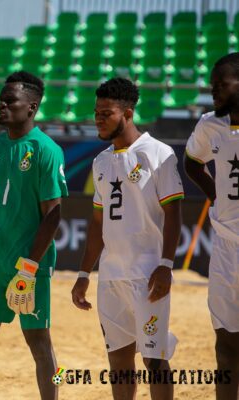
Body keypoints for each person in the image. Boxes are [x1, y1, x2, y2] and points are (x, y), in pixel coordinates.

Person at [71, 78, 183, 400]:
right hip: (111, 277)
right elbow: (97, 224)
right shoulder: (101, 161)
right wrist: (83, 274)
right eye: (96, 113)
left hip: (148, 276)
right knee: (118, 360)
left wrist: (165, 265)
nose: (98, 119)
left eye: (106, 113)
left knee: (154, 359)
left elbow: (174, 214)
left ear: (128, 113)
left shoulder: (158, 153)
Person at [0, 71, 67, 400]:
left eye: (10, 101)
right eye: (0, 101)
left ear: (31, 107)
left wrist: (30, 267)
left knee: (41, 344)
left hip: (29, 267)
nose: (2, 106)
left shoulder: (47, 150)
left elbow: (54, 214)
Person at [184, 52, 239, 400]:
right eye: (212, 84)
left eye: (221, 83)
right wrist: (215, 196)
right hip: (225, 248)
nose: (213, 89)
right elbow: (191, 163)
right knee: (225, 341)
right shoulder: (209, 125)